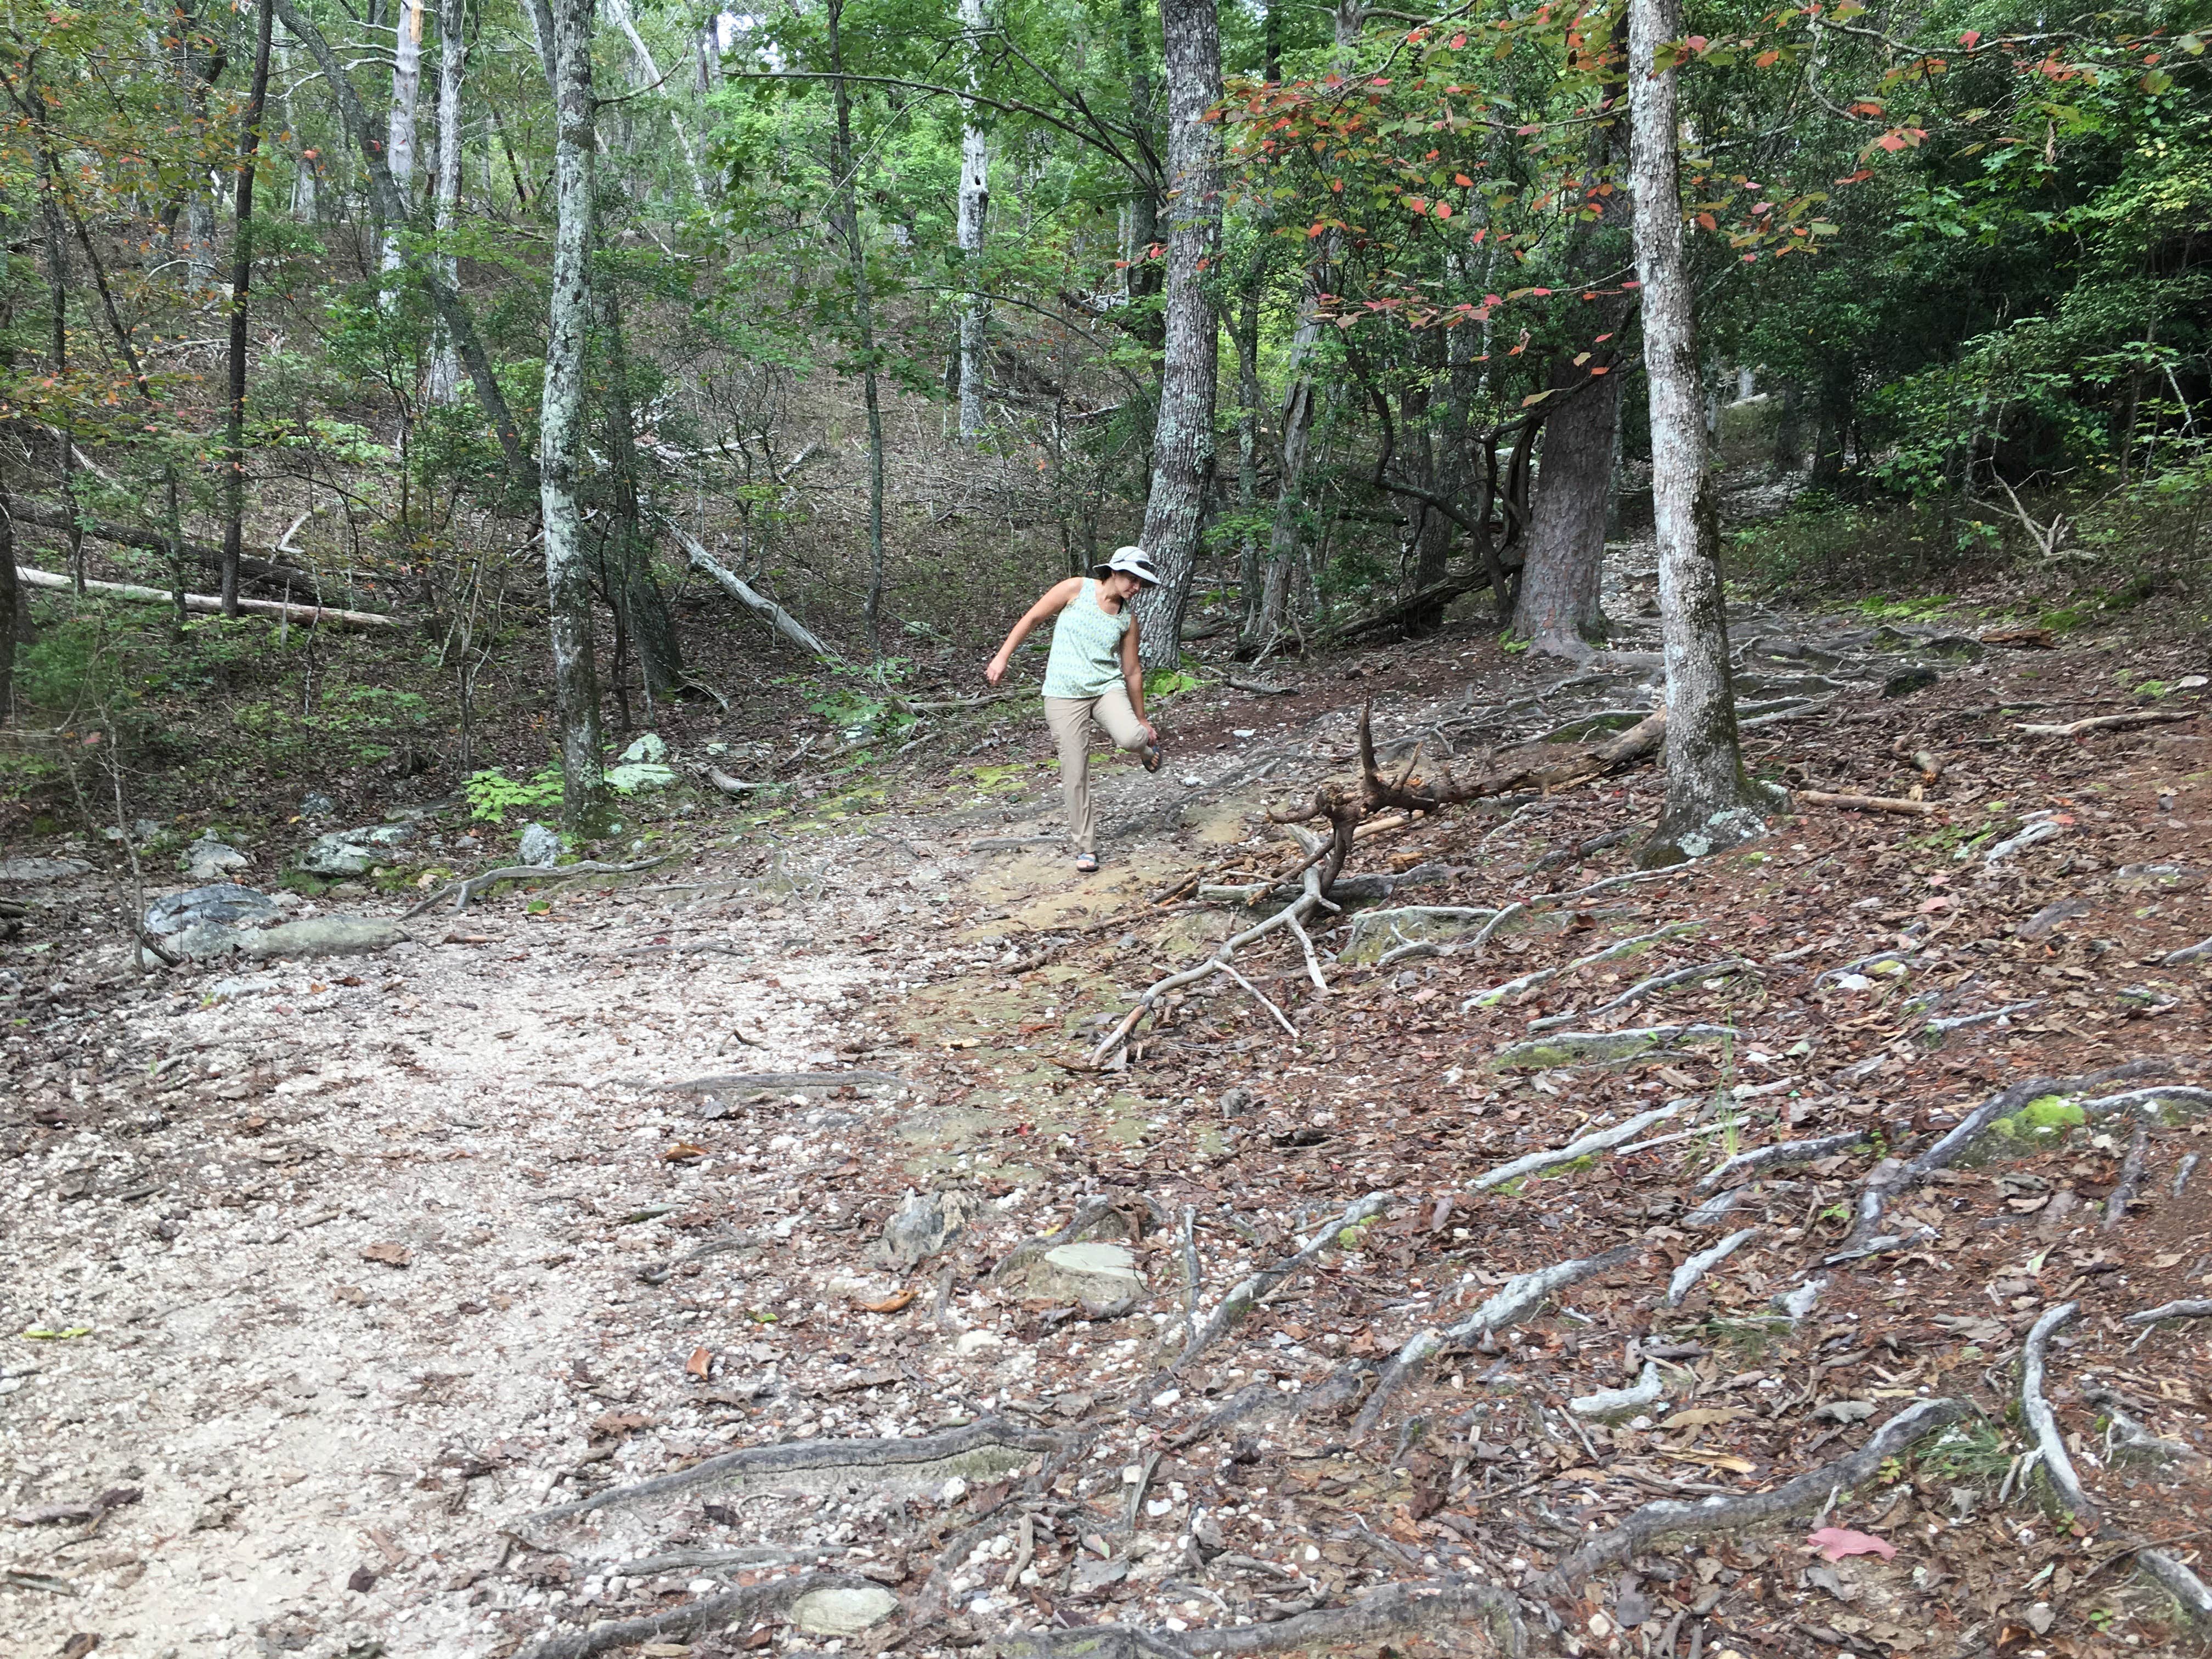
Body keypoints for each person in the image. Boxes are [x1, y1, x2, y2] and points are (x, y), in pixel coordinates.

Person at [985, 546, 1165, 872]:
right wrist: (1002, 657)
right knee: (1075, 771)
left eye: (1141, 584)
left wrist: (1141, 718)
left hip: (1105, 689)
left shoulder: (1127, 618)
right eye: (1132, 579)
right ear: (1113, 571)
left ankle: (1144, 748)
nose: (1135, 588)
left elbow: (1132, 671)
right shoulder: (1075, 589)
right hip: (1064, 695)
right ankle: (1087, 847)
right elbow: (1033, 617)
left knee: (1131, 737)